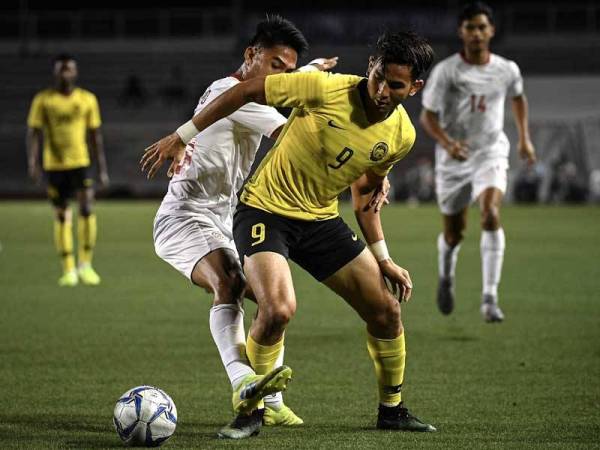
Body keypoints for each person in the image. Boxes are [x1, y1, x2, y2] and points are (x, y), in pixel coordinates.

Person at [142, 30, 436, 434]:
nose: (383, 89)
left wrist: (384, 258)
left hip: (320, 220)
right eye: (379, 76)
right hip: (265, 210)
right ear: (371, 67)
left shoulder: (401, 134)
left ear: (415, 87)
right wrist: (182, 135)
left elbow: (366, 192)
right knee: (277, 308)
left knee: (387, 310)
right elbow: (242, 91)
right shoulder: (322, 88)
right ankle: (251, 411)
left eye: (396, 84)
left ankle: (393, 410)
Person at [145, 16, 339, 439]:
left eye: (286, 70)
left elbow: (278, 89)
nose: (279, 77)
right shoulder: (230, 93)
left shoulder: (244, 92)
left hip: (222, 217)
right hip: (184, 216)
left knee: (272, 303)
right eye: (274, 64)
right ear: (250, 55)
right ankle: (242, 384)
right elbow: (291, 132)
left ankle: (271, 404)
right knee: (230, 284)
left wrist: (309, 71)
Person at [420, 2, 536, 322]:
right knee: (455, 234)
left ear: (492, 31)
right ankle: (446, 275)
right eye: (470, 27)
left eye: (482, 27)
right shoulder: (446, 72)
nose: (477, 33)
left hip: (490, 151)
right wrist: (447, 143)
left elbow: (518, 98)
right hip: (453, 158)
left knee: (490, 214)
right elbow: (427, 116)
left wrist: (524, 138)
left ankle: (489, 298)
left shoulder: (507, 69)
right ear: (461, 32)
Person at [27, 53, 109, 287]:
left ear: (75, 72)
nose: (65, 73)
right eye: (61, 69)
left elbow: (95, 136)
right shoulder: (43, 100)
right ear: (55, 72)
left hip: (80, 163)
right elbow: (33, 133)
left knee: (86, 209)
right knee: (62, 215)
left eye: (69, 69)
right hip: (54, 165)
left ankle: (86, 264)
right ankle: (68, 269)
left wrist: (101, 168)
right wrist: (33, 163)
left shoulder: (87, 99)